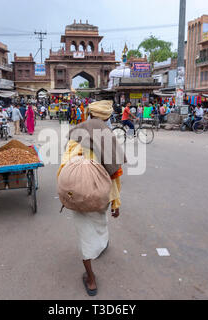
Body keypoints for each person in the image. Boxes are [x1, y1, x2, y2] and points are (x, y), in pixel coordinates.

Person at [58, 100, 125, 297]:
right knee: (99, 223)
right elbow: (115, 174)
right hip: (102, 195)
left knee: (86, 234)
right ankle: (92, 270)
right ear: (108, 118)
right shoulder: (109, 136)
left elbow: (65, 165)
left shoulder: (75, 133)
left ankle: (91, 278)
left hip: (79, 194)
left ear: (89, 114)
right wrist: (116, 202)